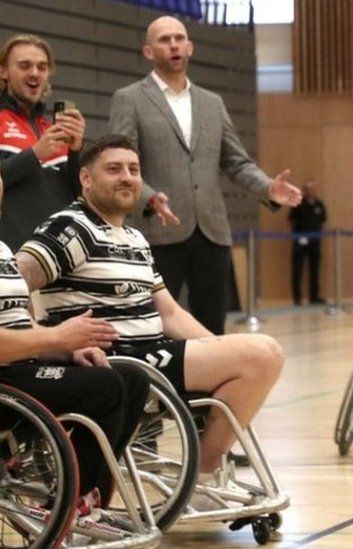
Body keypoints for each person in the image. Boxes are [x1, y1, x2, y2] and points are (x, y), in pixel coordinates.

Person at [16, 134, 285, 484]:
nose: (127, 177)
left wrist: (218, 349)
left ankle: (205, 469)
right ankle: (203, 474)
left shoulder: (134, 238)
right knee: (263, 353)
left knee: (256, 356)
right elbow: (11, 283)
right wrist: (52, 342)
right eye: (113, 169)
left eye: (134, 169)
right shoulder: (72, 227)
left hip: (153, 353)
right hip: (119, 360)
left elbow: (170, 314)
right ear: (86, 178)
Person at [108, 15, 302, 335]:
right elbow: (119, 162)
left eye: (179, 38)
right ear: (148, 51)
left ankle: (209, 386)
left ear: (190, 47)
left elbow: (237, 162)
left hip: (212, 231)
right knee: (155, 325)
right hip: (158, 230)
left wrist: (268, 188)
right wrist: (148, 197)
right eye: (164, 39)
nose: (173, 45)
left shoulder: (212, 103)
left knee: (212, 327)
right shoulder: (129, 98)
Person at [0, 171, 149, 524]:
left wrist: (67, 351)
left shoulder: (3, 248)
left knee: (130, 377)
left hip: (19, 367)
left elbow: (21, 326)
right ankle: (66, 504)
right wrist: (55, 337)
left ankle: (90, 501)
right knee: (105, 387)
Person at [0, 34, 86, 250]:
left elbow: (82, 195)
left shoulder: (53, 127)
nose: (35, 73)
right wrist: (35, 153)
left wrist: (76, 151)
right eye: (24, 65)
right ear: (3, 72)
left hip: (61, 252)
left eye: (42, 67)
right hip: (13, 253)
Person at [289, 180, 328, 305]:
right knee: (298, 269)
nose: (311, 192)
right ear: (304, 191)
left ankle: (314, 297)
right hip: (300, 241)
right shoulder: (298, 204)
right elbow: (290, 220)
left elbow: (323, 219)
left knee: (314, 269)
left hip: (315, 241)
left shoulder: (319, 204)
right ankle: (297, 298)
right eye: (308, 189)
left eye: (313, 189)